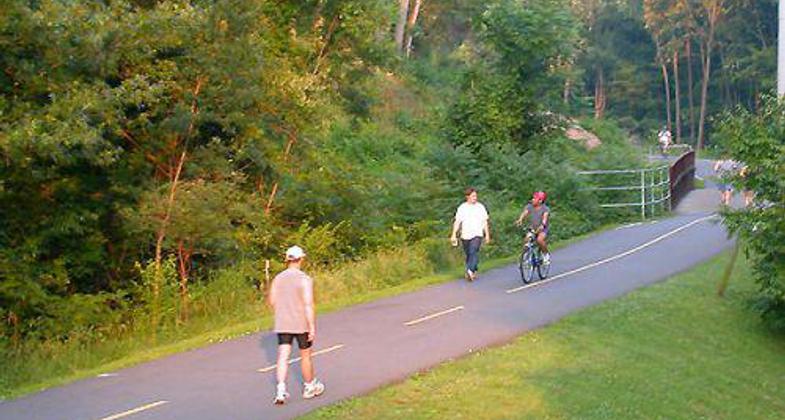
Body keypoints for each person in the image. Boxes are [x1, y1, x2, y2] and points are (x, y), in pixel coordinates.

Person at [268, 245, 325, 405]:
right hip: (301, 323)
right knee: (305, 355)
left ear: (287, 260)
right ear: (301, 259)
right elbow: (308, 304)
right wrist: (311, 325)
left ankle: (280, 390)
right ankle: (309, 386)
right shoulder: (304, 279)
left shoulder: (278, 278)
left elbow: (272, 301)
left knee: (283, 355)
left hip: (283, 322)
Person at [450, 188, 491, 281]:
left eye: (475, 196)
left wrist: (487, 235)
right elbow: (457, 222)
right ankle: (474, 269)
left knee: (473, 251)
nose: (475, 198)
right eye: (473, 196)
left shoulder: (480, 207)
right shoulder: (462, 208)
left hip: (477, 234)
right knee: (469, 254)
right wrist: (453, 234)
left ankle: (470, 271)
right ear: (467, 197)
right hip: (465, 234)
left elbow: (485, 221)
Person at [515, 191, 550, 264]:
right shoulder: (529, 206)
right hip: (533, 228)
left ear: (540, 201)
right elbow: (525, 213)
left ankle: (545, 255)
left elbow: (545, 218)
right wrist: (520, 220)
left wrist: (542, 225)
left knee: (540, 240)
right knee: (527, 240)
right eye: (533, 198)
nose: (533, 199)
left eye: (535, 198)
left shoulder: (545, 209)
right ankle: (527, 256)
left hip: (542, 229)